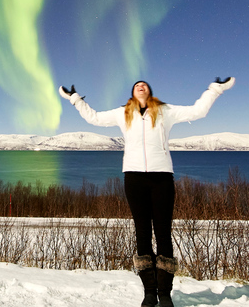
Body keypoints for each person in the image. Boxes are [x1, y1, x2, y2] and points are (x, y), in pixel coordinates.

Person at [59, 77, 235, 307]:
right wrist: (74, 98)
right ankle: (149, 292)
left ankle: (165, 293)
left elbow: (198, 111)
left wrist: (215, 89)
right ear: (132, 93)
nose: (140, 86)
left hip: (162, 178)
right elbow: (94, 118)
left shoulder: (165, 111)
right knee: (142, 232)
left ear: (150, 91)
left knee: (163, 232)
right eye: (136, 85)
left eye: (144, 85)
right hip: (134, 178)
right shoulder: (122, 113)